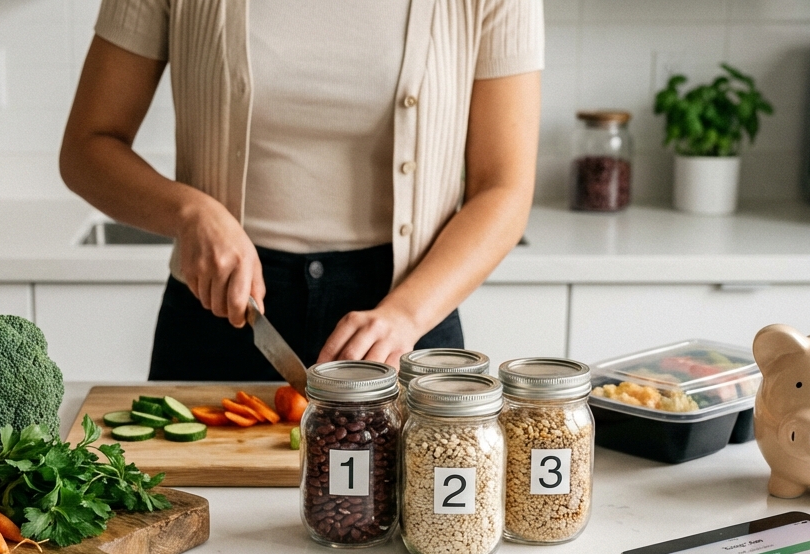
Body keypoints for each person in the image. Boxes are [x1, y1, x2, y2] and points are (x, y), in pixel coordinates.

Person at [60, 0, 542, 380]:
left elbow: (504, 188)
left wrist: (405, 315)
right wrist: (191, 213)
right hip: (222, 311)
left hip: (408, 321)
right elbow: (87, 147)